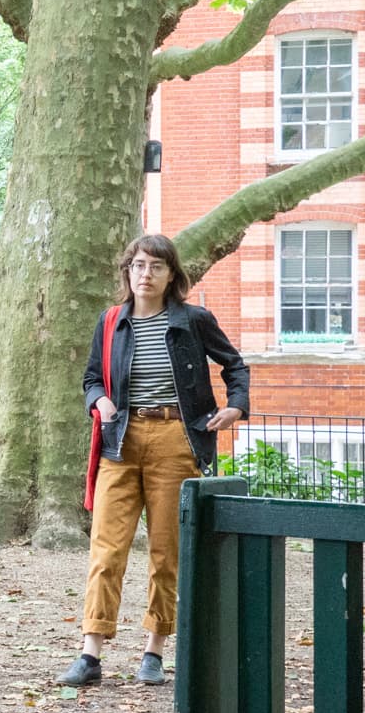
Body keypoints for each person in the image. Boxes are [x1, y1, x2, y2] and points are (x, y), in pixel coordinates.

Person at [66, 232, 247, 689]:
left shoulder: (194, 320)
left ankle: (154, 648)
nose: (146, 274)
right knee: (106, 549)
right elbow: (91, 377)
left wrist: (236, 406)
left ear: (172, 274)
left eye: (156, 267)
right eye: (138, 266)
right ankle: (91, 653)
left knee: (166, 551)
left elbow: (235, 366)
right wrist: (100, 401)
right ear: (128, 272)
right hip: (120, 442)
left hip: (175, 439)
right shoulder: (111, 322)